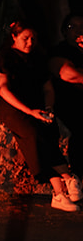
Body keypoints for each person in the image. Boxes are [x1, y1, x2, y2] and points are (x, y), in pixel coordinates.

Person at [0, 20, 76, 211]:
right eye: (25, 38)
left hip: (36, 104)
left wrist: (48, 107)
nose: (30, 43)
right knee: (32, 134)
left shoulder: (38, 58)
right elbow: (3, 89)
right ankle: (63, 185)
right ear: (14, 37)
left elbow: (47, 88)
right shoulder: (4, 57)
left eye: (33, 38)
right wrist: (29, 111)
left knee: (49, 131)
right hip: (10, 105)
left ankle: (64, 188)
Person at [50, 14, 83, 183]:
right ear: (64, 32)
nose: (79, 31)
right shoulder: (60, 50)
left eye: (82, 26)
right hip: (68, 101)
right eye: (72, 27)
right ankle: (77, 176)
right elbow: (69, 74)